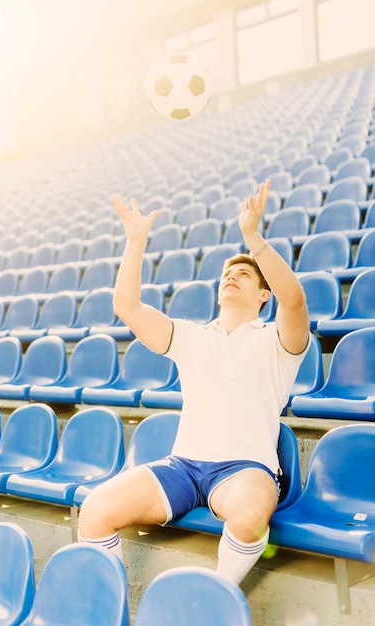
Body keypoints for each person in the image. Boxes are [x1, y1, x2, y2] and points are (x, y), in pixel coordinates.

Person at [78, 180, 310, 585]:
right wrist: (135, 241)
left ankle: (215, 597)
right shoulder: (191, 336)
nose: (231, 277)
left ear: (262, 296)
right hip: (183, 467)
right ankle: (111, 601)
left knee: (251, 512)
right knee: (96, 509)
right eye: (226, 274)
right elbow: (127, 307)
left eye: (242, 274)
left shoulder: (278, 341)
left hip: (243, 469)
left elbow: (294, 299)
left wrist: (252, 238)